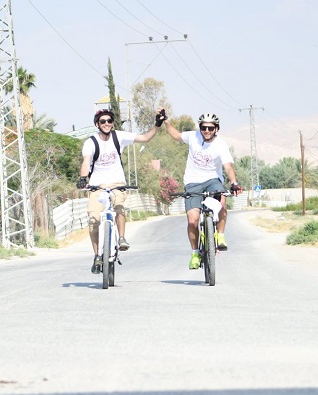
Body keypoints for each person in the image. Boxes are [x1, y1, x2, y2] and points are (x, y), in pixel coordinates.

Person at [78, 108, 164, 274]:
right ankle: (97, 256)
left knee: (119, 207)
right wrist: (83, 178)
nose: (106, 124)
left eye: (109, 121)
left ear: (113, 123)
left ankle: (122, 238)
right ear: (97, 124)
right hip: (97, 186)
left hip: (117, 183)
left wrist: (157, 124)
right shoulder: (91, 142)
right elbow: (86, 161)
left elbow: (145, 138)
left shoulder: (119, 136)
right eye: (103, 121)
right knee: (93, 220)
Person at [161, 111, 242, 268]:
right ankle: (195, 253)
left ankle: (220, 235)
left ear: (216, 129)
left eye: (210, 128)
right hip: (192, 182)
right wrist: (166, 121)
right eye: (204, 127)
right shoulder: (193, 136)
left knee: (222, 199)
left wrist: (234, 183)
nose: (206, 131)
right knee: (192, 221)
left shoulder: (221, 145)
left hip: (213, 180)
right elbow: (176, 135)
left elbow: (228, 166)